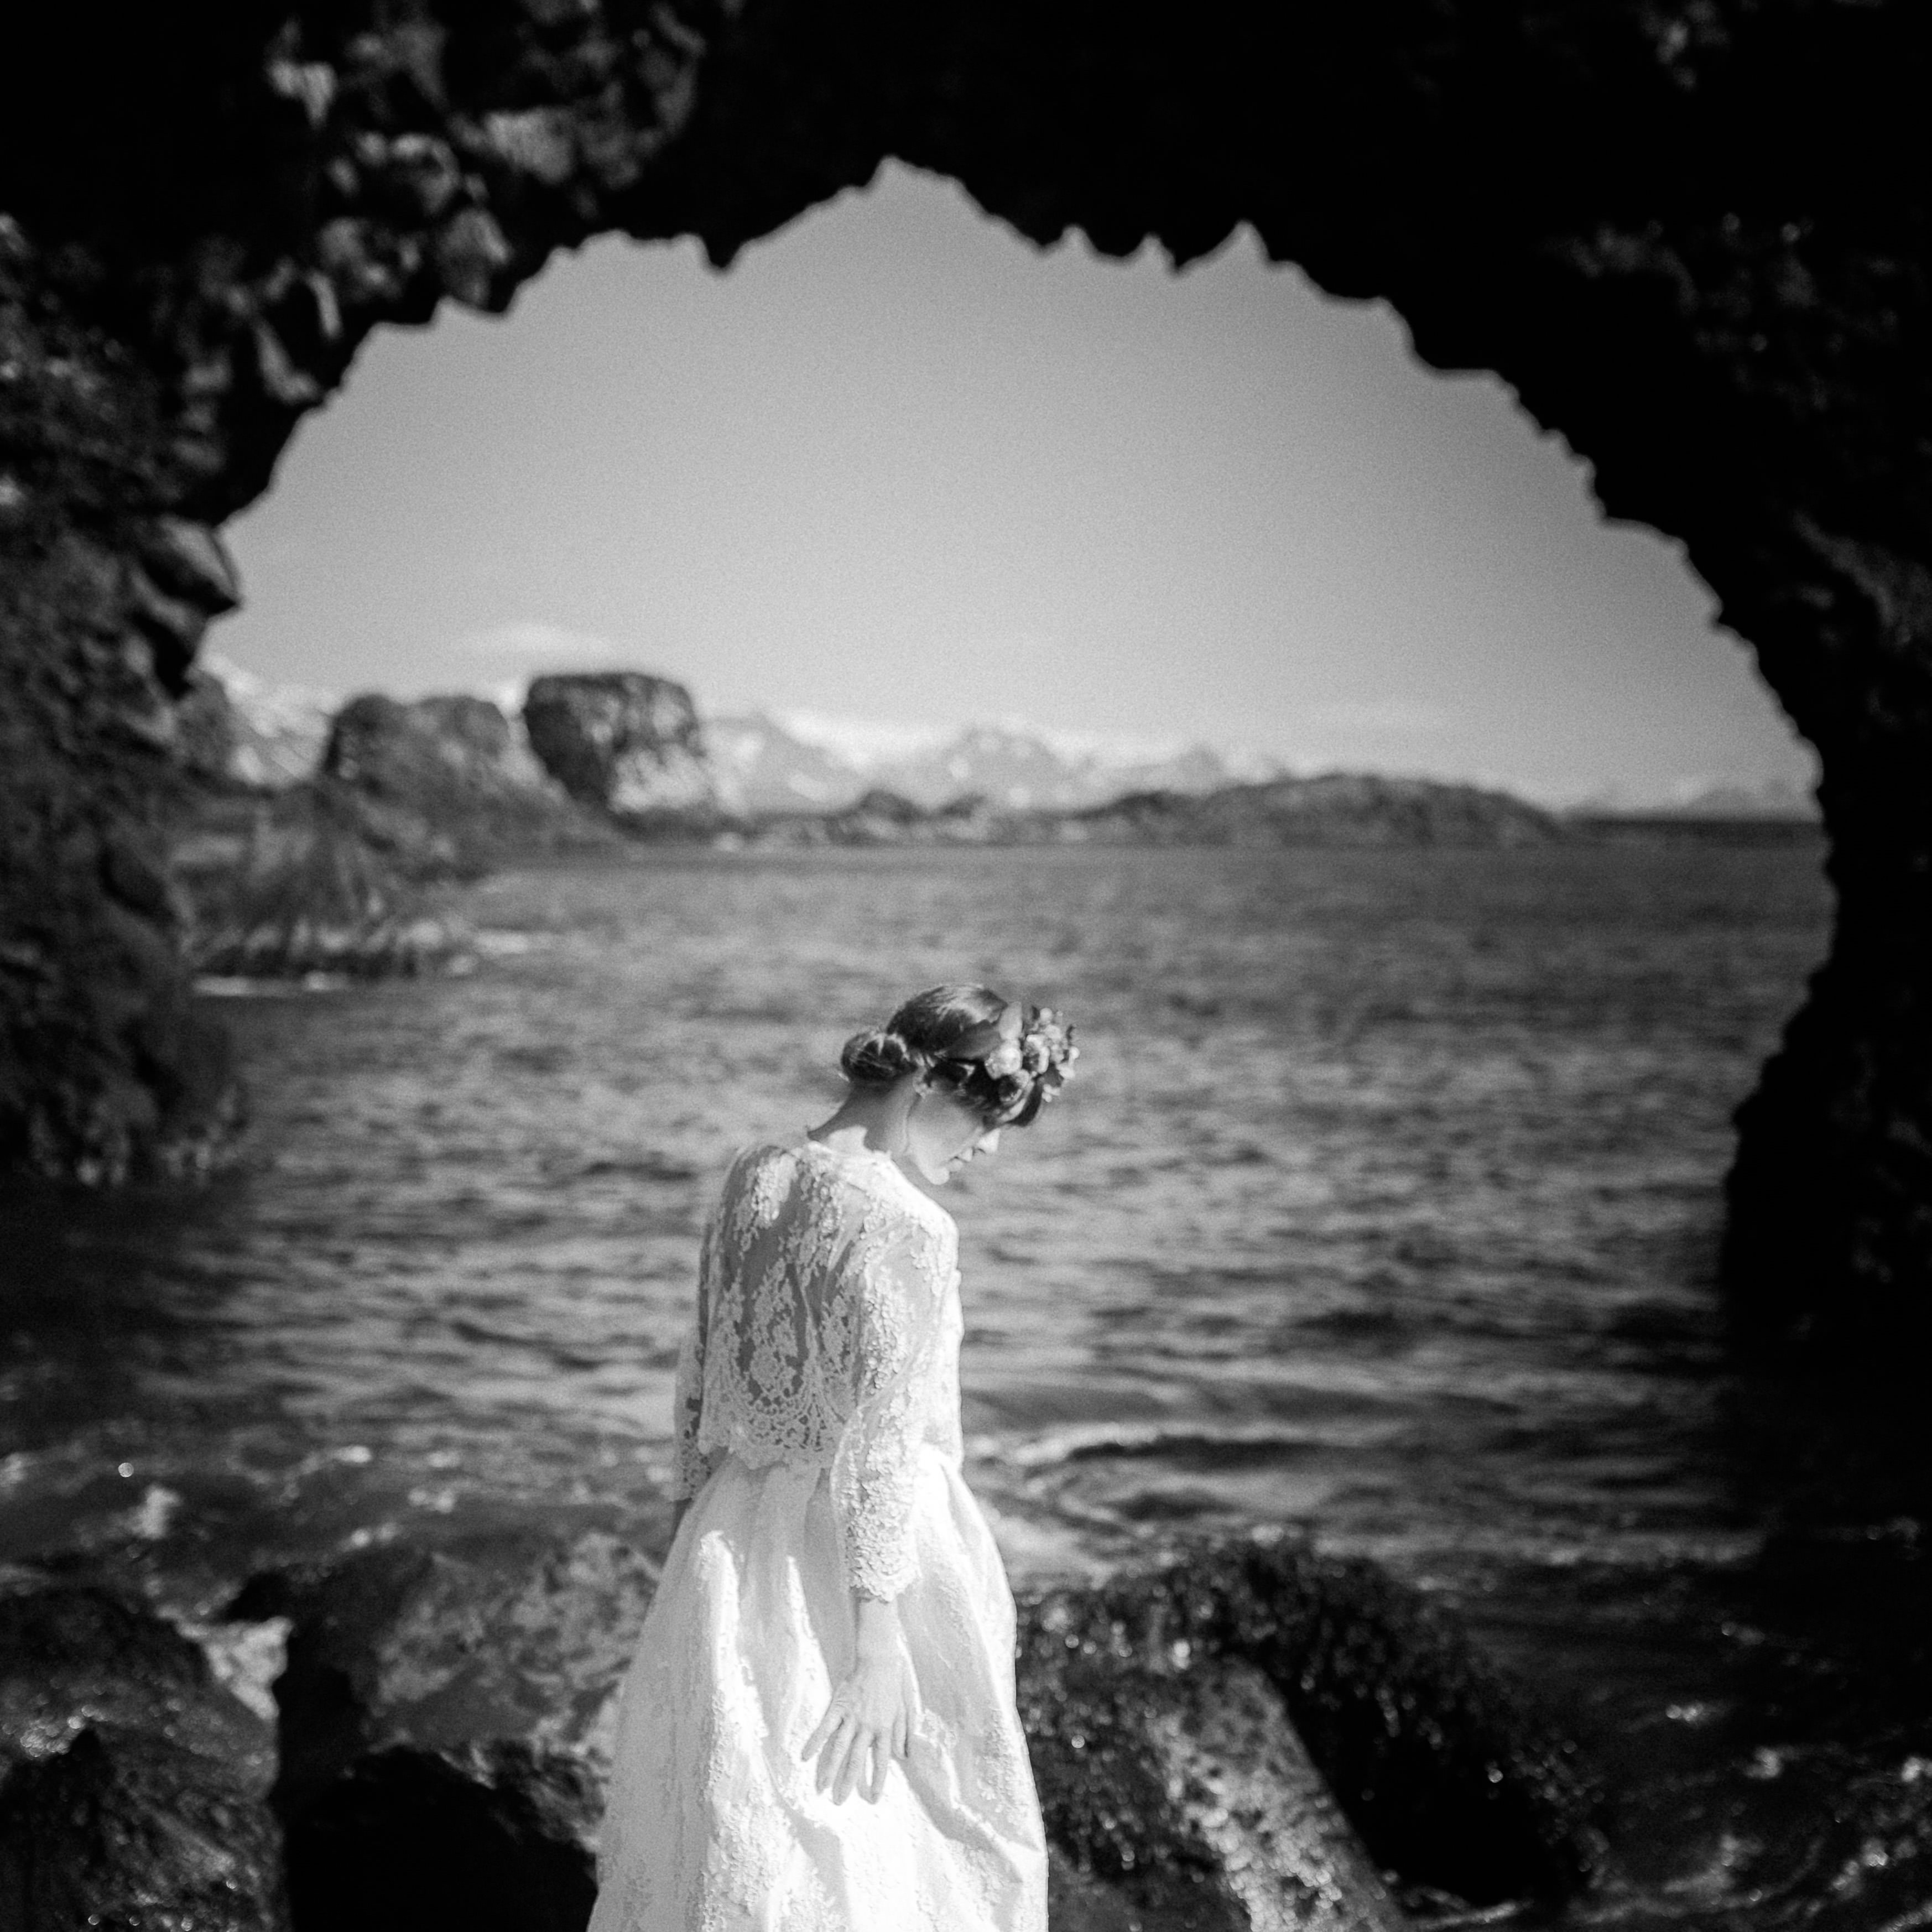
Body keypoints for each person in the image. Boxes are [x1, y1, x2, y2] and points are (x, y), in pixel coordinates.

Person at [589, 985, 1077, 1932]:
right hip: (874, 1569)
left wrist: (686, 1535)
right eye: (988, 1120)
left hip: (730, 1540)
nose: (988, 1149)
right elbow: (884, 1447)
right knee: (891, 1843)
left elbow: (697, 1376)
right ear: (926, 1085)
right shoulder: (911, 1228)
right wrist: (877, 1648)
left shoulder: (753, 1170)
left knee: (738, 1821)